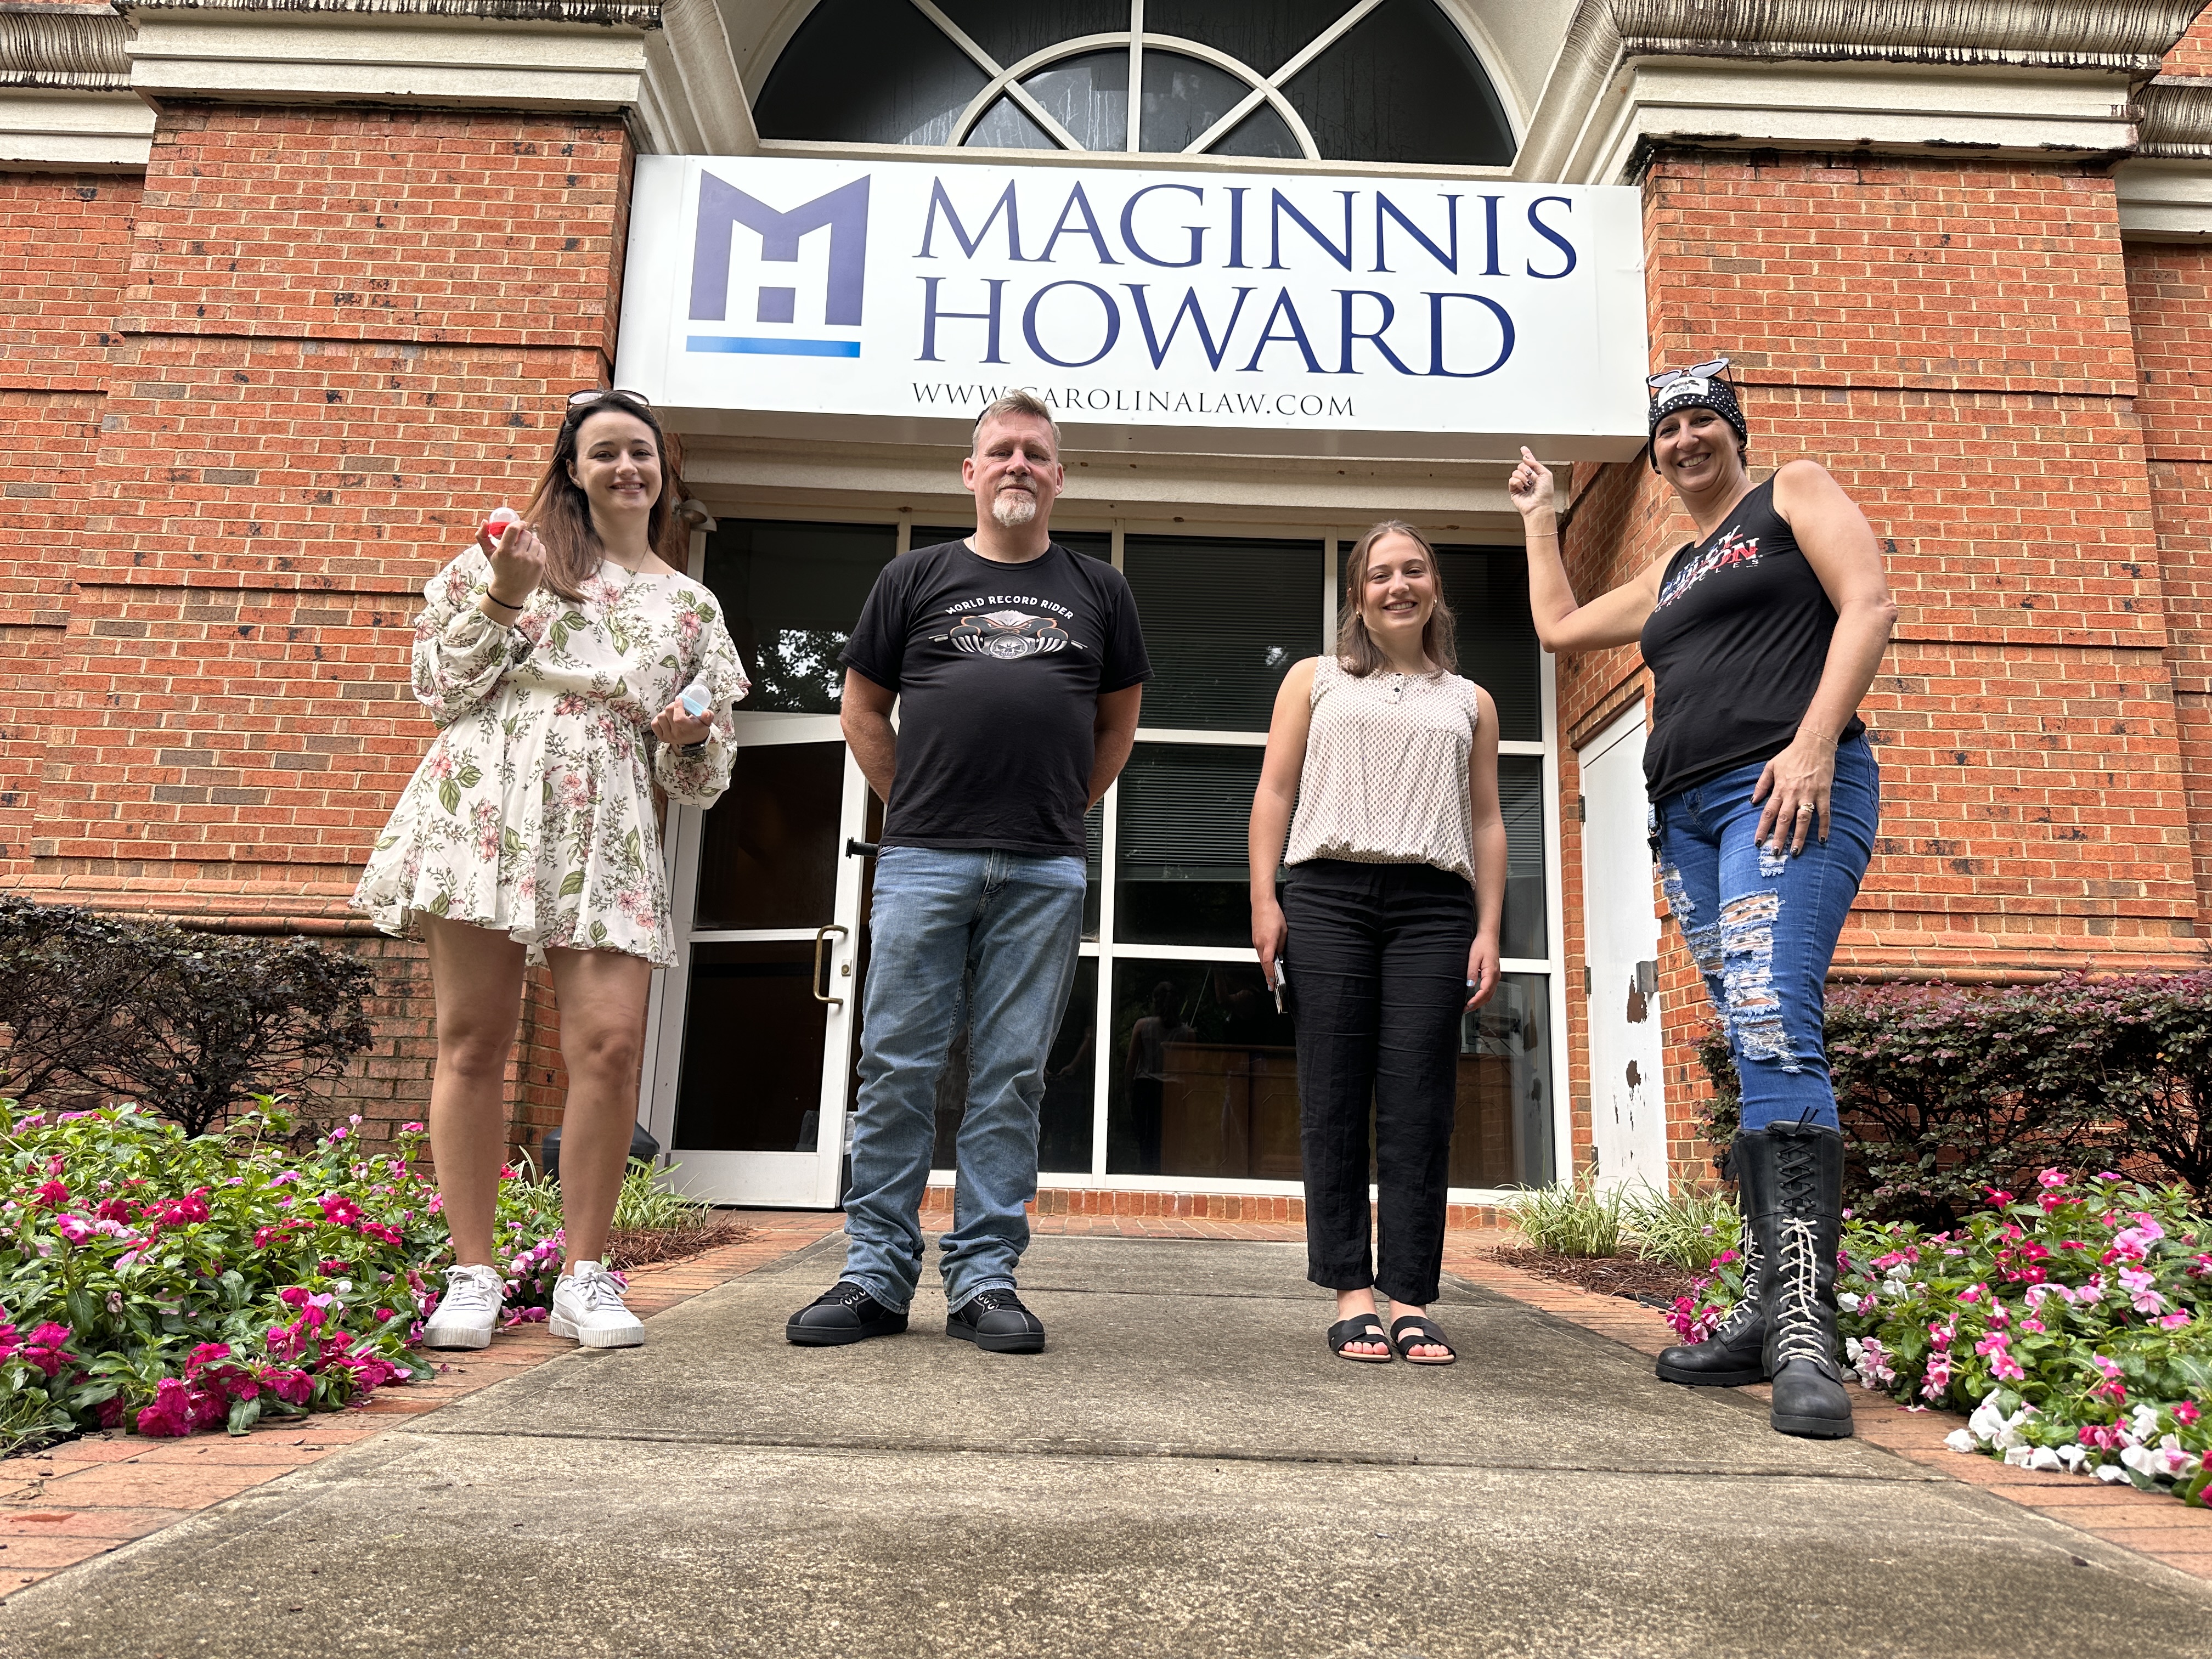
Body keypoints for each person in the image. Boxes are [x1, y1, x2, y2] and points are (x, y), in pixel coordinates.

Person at [1509, 359, 1896, 1438]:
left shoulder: (1793, 495)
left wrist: (1815, 743)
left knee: (1776, 1025)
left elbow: (1868, 604)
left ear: (1735, 431)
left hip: (1785, 792)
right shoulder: (1674, 571)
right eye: (1666, 429)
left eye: (1700, 422)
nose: (1683, 441)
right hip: (1685, 818)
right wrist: (1543, 517)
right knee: (1751, 1035)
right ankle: (1770, 1312)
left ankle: (1808, 1328)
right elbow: (1559, 631)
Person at [353, 390, 747, 1352]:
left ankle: (584, 1272)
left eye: (641, 453)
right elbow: (439, 690)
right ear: (572, 468)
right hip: (488, 791)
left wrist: (690, 733)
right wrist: (500, 592)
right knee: (472, 1039)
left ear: (664, 472)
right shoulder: (512, 554)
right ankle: (473, 1271)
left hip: (606, 809)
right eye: (603, 451)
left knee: (609, 1046)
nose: (625, 468)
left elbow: (698, 773)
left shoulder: (691, 605)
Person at [786, 391, 1149, 1355]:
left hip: (1042, 865)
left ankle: (984, 1279)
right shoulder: (913, 577)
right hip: (921, 859)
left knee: (1009, 1075)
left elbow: (1117, 725)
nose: (1018, 464)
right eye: (1001, 451)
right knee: (897, 1065)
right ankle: (873, 1273)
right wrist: (914, 802)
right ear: (970, 471)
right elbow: (861, 709)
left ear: (1059, 476)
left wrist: (1062, 803)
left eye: (1036, 452)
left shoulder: (1099, 589)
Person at [1249, 521, 1508, 1367]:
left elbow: (1487, 820)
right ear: (1357, 593)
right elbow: (1275, 790)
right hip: (1328, 895)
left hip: (1434, 905)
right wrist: (1265, 898)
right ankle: (1350, 1291)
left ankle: (1411, 1297)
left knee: (1419, 1100)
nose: (1398, 586)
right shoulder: (1315, 680)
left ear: (1435, 586)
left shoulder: (1471, 701)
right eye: (1379, 575)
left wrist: (1491, 928)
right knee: (1332, 1094)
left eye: (1414, 571)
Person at [1124, 981, 1190, 1175]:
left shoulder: (1143, 1026)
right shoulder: (1186, 1033)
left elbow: (1131, 1063)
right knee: (1169, 1140)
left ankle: (1147, 1176)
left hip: (1146, 1088)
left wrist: (1128, 1091)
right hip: (1173, 1091)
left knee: (1146, 1140)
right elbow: (1190, 1069)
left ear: (1155, 1001)